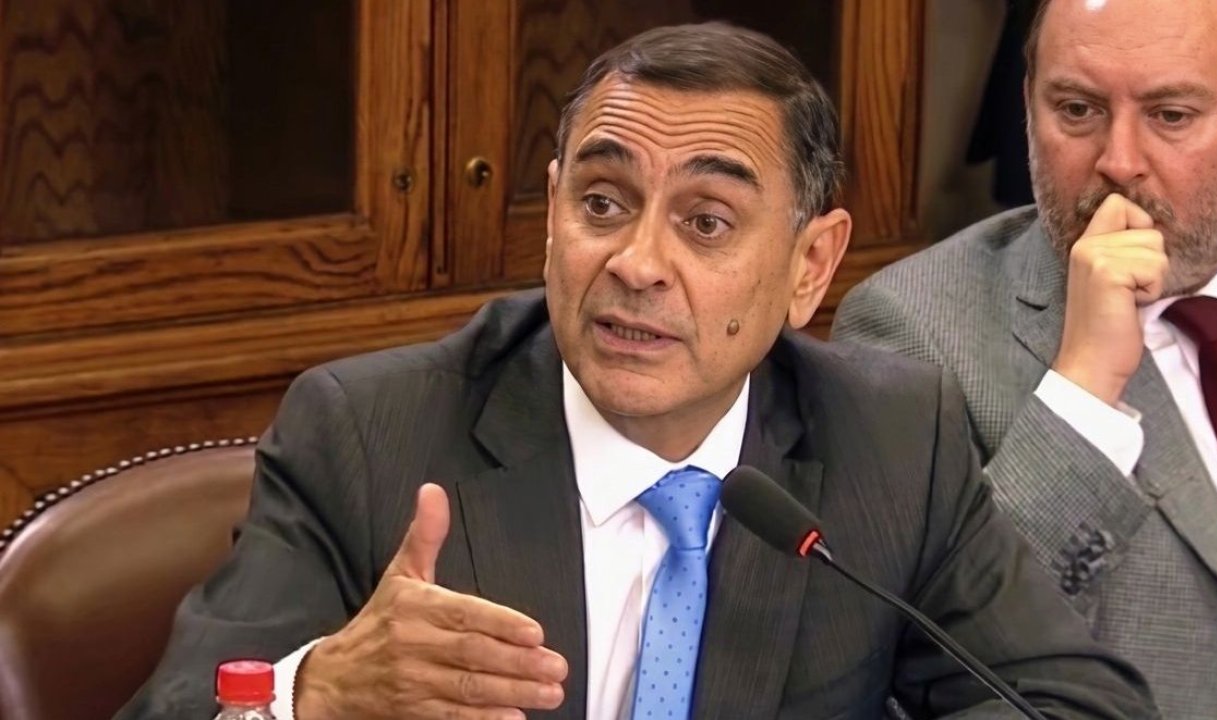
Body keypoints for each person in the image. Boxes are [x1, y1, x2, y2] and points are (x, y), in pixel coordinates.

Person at [119, 23, 1156, 720]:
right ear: (552, 214)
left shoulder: (889, 440)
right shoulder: (369, 433)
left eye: (706, 222)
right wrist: (315, 694)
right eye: (603, 204)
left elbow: (1074, 703)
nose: (636, 263)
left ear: (810, 266)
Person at [834, 0, 1217, 717]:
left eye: (1170, 115)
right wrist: (1083, 394)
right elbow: (920, 667)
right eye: (1076, 110)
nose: (1118, 162)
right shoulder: (913, 332)